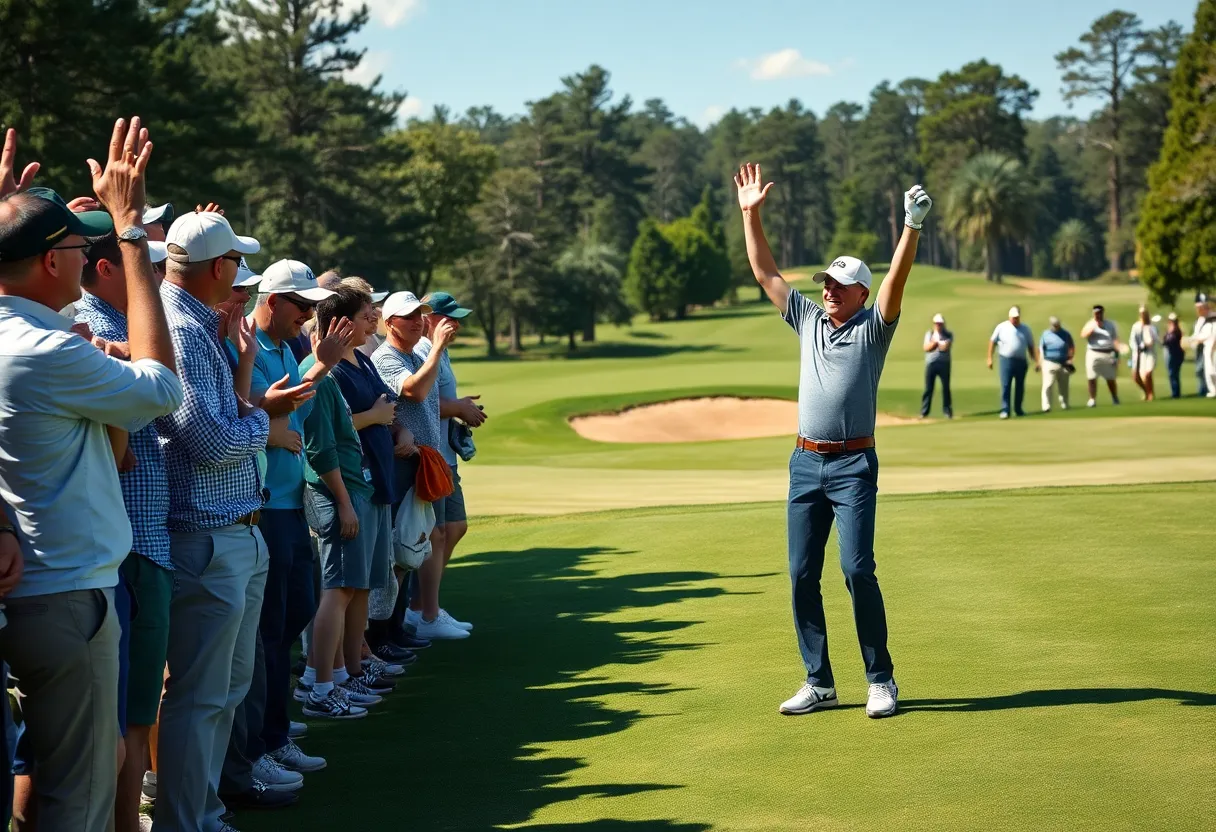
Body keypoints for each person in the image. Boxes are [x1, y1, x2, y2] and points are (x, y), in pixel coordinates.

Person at [0, 120, 183, 832]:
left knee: (50, 781)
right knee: (78, 797)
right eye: (79, 249)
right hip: (67, 594)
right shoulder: (44, 349)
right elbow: (163, 390)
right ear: (50, 262)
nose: (87, 260)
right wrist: (132, 238)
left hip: (43, 590)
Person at [735, 162, 932, 719]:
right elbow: (765, 273)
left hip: (853, 467)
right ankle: (819, 681)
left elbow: (896, 283)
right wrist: (751, 215)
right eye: (824, 282)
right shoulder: (809, 320)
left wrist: (910, 228)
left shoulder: (874, 327)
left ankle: (880, 679)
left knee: (856, 569)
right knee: (800, 575)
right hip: (804, 463)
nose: (826, 290)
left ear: (859, 292)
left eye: (838, 285)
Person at [154, 210, 299, 832]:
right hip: (206, 534)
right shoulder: (181, 330)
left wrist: (249, 400)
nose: (242, 275)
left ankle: (204, 807)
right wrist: (263, 425)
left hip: (236, 528)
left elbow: (225, 421)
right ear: (219, 267)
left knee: (226, 688)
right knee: (200, 695)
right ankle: (186, 819)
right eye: (238, 262)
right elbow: (210, 441)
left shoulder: (202, 323)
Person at [222, 260, 351, 793]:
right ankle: (266, 742)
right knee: (270, 630)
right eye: (301, 307)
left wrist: (314, 366)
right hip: (262, 502)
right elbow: (251, 405)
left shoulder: (287, 345)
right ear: (272, 302)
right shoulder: (246, 342)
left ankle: (274, 730)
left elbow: (288, 406)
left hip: (289, 499)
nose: (308, 316)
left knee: (291, 615)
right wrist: (319, 367)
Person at [74, 229, 180, 832]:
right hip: (125, 550)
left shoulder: (118, 333)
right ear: (108, 269)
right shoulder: (86, 336)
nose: (157, 280)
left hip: (138, 547)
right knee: (121, 716)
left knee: (137, 711)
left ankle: (125, 821)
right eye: (144, 266)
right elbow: (155, 412)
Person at [299, 285, 404, 718]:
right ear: (340, 323)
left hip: (356, 488)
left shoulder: (333, 367)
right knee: (337, 590)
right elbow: (320, 448)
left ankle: (339, 676)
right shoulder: (318, 373)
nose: (373, 320)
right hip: (337, 493)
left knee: (352, 586)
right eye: (366, 314)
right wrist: (342, 501)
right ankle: (319, 686)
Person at [372, 291, 469, 641]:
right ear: (390, 322)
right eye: (410, 317)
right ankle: (383, 636)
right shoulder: (387, 357)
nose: (418, 322)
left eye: (420, 316)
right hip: (403, 468)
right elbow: (413, 391)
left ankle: (397, 630)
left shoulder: (414, 354)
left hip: (423, 464)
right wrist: (438, 349)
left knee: (413, 549)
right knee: (401, 553)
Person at [986, 306, 1038, 419]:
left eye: (1017, 317)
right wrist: (989, 358)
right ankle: (1005, 409)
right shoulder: (1002, 327)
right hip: (1006, 360)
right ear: (1009, 317)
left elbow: (1031, 346)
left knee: (1020, 386)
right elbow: (992, 342)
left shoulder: (1025, 329)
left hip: (1021, 361)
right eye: (1013, 318)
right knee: (1006, 385)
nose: (1015, 320)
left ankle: (1018, 409)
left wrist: (1036, 361)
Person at [1081, 304, 1121, 407]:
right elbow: (1083, 334)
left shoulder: (1110, 324)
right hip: (1093, 352)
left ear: (1103, 313)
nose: (1097, 315)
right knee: (1091, 377)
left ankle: (1115, 397)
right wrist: (1093, 328)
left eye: (1099, 313)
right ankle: (1092, 399)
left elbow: (1115, 340)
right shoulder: (1090, 324)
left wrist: (1117, 355)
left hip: (1107, 352)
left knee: (1110, 378)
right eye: (1096, 314)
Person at [1038, 316, 1075, 412]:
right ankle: (1046, 406)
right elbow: (1041, 349)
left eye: (1057, 325)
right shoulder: (1045, 334)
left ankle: (1065, 404)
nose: (1056, 327)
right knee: (1048, 384)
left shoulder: (1065, 334)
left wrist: (1070, 359)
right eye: (1054, 325)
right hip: (1049, 362)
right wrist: (1039, 362)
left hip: (1063, 363)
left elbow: (1071, 347)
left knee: (1063, 386)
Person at [920, 313, 952, 418]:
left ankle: (947, 411)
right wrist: (936, 344)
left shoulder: (948, 335)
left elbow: (945, 347)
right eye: (937, 323)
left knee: (946, 388)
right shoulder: (929, 334)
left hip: (944, 364)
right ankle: (924, 412)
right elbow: (927, 348)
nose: (938, 325)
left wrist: (936, 344)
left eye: (940, 323)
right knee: (928, 388)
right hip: (931, 363)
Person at [1129, 306, 1159, 402]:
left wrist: (1149, 342)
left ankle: (1151, 393)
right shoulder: (1136, 326)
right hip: (1139, 353)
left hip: (1150, 352)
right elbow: (1132, 340)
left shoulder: (1152, 327)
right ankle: (1146, 391)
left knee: (1148, 373)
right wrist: (1137, 347)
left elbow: (1155, 339)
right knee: (1137, 377)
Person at [1164, 312, 1186, 399]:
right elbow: (1165, 340)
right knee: (1172, 374)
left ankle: (1176, 393)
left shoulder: (1176, 331)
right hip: (1171, 354)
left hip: (1176, 354)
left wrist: (1169, 332)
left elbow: (1170, 341)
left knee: (1173, 373)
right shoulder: (1170, 331)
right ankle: (1175, 392)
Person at [1193, 294, 1210, 397]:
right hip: (1198, 348)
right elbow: (1196, 334)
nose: (1198, 310)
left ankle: (1204, 390)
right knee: (1199, 370)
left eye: (1200, 308)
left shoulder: (1209, 319)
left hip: (1206, 347)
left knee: (1205, 369)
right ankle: (1202, 389)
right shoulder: (1199, 321)